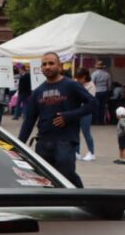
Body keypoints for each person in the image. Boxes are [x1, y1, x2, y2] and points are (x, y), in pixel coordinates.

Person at [18, 52, 96, 188]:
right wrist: (19, 145)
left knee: (66, 174)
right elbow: (29, 120)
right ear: (41, 68)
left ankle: (83, 199)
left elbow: (93, 104)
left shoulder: (71, 85)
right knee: (46, 181)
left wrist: (69, 115)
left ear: (59, 66)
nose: (47, 67)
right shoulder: (38, 91)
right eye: (44, 64)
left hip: (65, 141)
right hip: (43, 142)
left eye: (51, 63)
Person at [74, 69, 97, 162]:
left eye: (80, 78)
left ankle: (91, 153)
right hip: (76, 111)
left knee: (86, 133)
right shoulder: (76, 83)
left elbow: (89, 100)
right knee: (75, 132)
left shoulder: (91, 85)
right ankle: (76, 152)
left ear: (85, 77)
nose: (78, 80)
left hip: (85, 112)